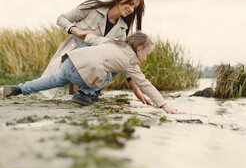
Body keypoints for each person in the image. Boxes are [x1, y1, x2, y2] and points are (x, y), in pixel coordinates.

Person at [3, 32, 180, 114]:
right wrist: (164, 105)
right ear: (139, 49)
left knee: (54, 79)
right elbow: (145, 84)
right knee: (113, 72)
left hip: (70, 61)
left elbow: (90, 38)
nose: (145, 59)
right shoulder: (130, 61)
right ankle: (84, 93)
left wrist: (81, 32)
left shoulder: (113, 41)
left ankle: (18, 89)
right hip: (81, 75)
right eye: (146, 55)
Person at [41, 0, 146, 103]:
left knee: (116, 59)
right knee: (49, 83)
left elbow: (125, 60)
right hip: (73, 55)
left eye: (134, 7)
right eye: (130, 4)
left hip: (92, 66)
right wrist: (78, 31)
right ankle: (85, 90)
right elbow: (61, 19)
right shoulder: (93, 8)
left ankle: (86, 91)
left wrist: (136, 89)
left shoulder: (121, 30)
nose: (131, 9)